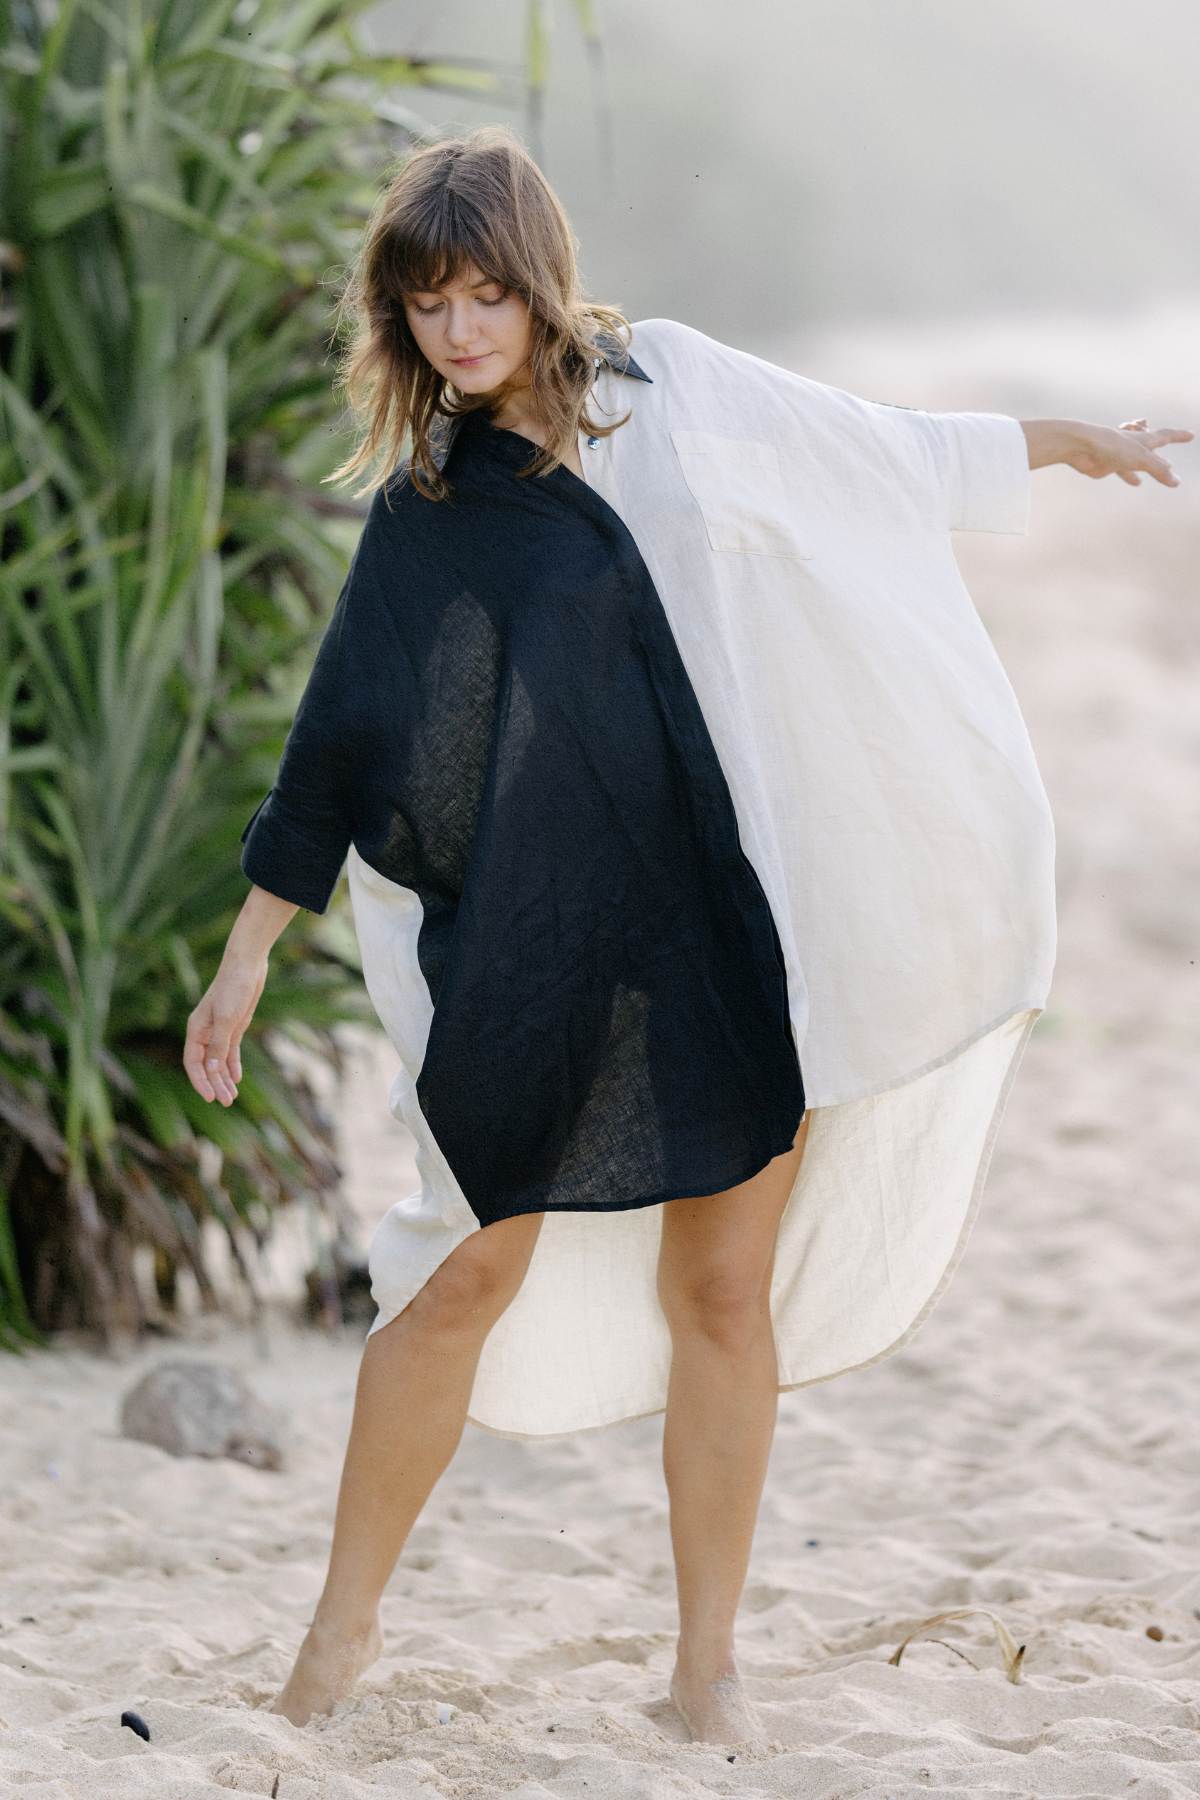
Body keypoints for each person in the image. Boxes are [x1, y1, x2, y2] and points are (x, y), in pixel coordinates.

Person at [181, 124, 1191, 1742]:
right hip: (536, 945)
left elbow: (881, 452)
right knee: (459, 1276)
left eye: (486, 296)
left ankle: (705, 1670)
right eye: (428, 306)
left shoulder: (679, 393)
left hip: (722, 925)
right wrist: (243, 960)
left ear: (541, 280)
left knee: (724, 1295)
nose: (460, 335)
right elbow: (340, 750)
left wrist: (1072, 440)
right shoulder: (434, 509)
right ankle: (337, 1640)